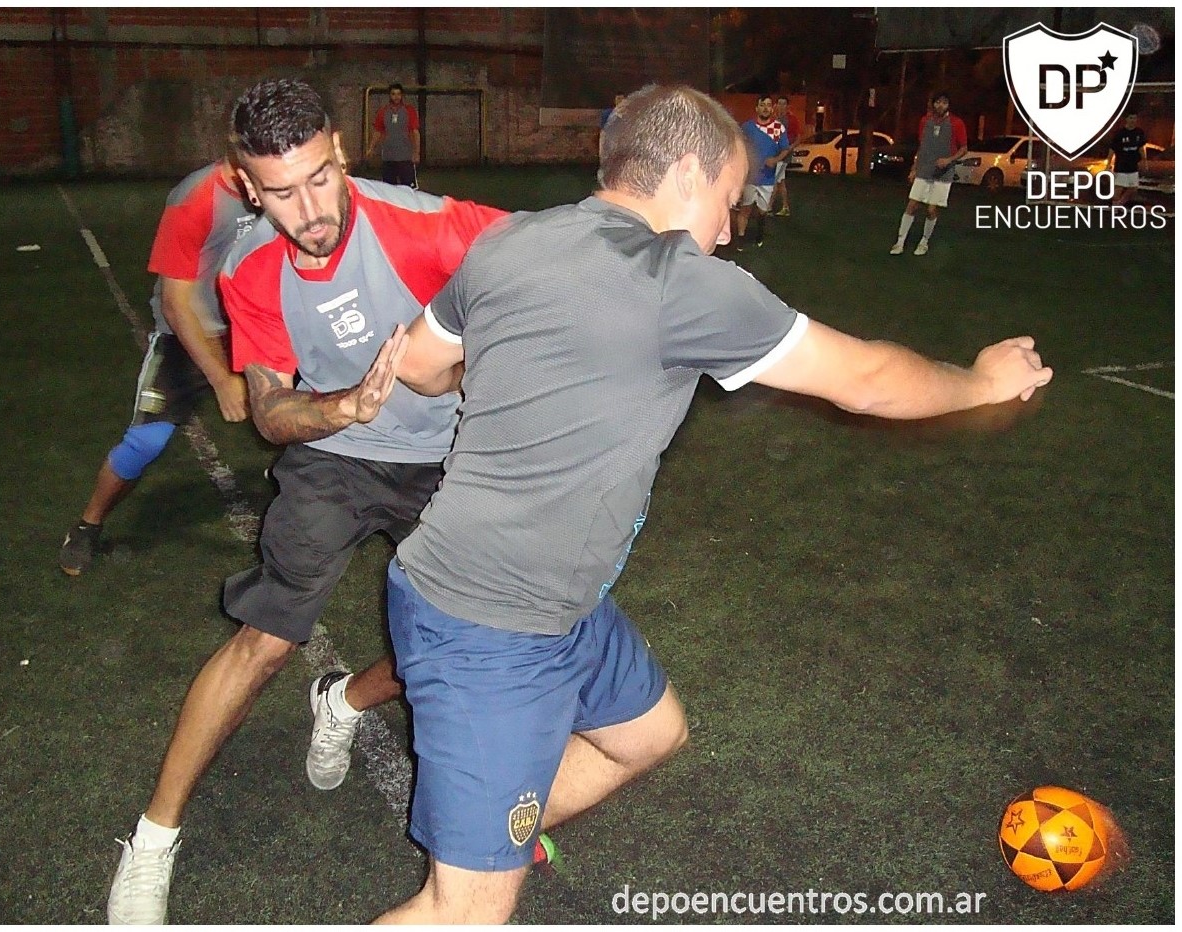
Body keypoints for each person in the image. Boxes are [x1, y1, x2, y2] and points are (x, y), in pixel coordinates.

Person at [375, 83, 1052, 923]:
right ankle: (476, 863)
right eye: (728, 200)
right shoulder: (678, 282)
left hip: (552, 599)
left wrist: (518, 373)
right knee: (465, 915)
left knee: (649, 735)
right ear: (688, 174)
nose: (729, 229)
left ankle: (496, 825)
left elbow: (417, 366)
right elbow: (869, 380)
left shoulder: (511, 239)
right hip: (490, 624)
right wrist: (980, 382)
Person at [105, 78, 507, 925]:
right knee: (265, 640)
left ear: (342, 154)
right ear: (247, 186)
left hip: (445, 456)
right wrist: (346, 408)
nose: (310, 208)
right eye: (281, 191)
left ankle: (345, 700)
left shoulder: (426, 224)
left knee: (467, 640)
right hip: (333, 458)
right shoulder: (251, 267)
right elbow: (271, 411)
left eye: (321, 177)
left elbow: (549, 258)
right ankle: (152, 840)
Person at [58, 158, 257, 576]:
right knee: (145, 443)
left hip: (252, 326)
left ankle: (300, 488)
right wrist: (221, 378)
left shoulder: (277, 183)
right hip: (188, 334)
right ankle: (88, 525)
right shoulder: (195, 199)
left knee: (302, 408)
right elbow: (174, 304)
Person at [889, 91, 967, 256]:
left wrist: (948, 160)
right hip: (924, 169)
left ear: (948, 105)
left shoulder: (956, 123)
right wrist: (914, 168)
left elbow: (963, 148)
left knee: (931, 209)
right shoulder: (925, 121)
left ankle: (924, 241)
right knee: (912, 205)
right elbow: (922, 146)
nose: (940, 105)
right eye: (938, 102)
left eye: (944, 102)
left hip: (943, 173)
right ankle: (900, 241)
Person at [734, 93, 791, 250]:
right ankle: (740, 238)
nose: (765, 108)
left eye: (768, 105)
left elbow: (785, 148)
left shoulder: (778, 128)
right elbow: (739, 146)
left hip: (767, 178)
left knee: (762, 210)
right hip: (750, 177)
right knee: (745, 208)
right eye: (762, 105)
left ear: (772, 108)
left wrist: (775, 159)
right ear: (756, 108)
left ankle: (759, 233)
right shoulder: (747, 127)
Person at [365, 82, 420, 188]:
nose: (396, 97)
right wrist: (371, 148)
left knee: (409, 189)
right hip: (388, 157)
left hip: (405, 157)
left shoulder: (409, 111)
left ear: (402, 95)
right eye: (393, 94)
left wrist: (416, 152)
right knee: (388, 189)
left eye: (398, 94)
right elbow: (378, 131)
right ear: (390, 95)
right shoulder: (383, 112)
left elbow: (415, 132)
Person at [768, 94, 802, 216]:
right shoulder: (775, 118)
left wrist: (789, 148)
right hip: (776, 154)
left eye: (784, 104)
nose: (781, 106)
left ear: (787, 106)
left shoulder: (791, 119)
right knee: (780, 181)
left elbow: (798, 138)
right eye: (779, 103)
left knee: (775, 180)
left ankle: (769, 207)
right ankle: (785, 207)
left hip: (783, 156)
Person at [1108, 112, 1147, 206]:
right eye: (1131, 118)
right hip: (1121, 165)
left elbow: (1141, 148)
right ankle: (1115, 208)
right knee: (1119, 187)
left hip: (1133, 165)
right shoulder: (1120, 133)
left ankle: (1119, 204)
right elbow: (1112, 149)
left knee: (1133, 188)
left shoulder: (1139, 132)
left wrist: (1144, 160)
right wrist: (1108, 163)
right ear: (1126, 119)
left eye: (1134, 118)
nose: (1133, 120)